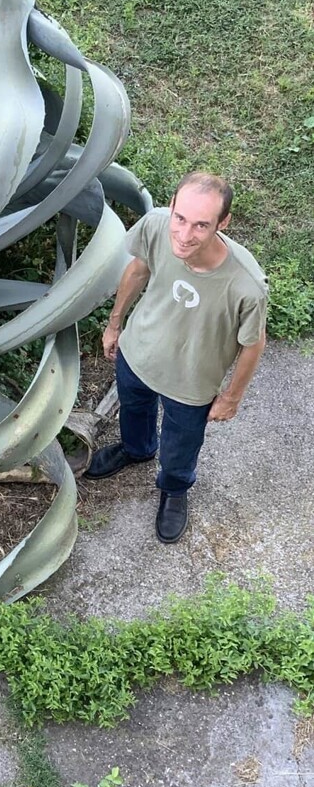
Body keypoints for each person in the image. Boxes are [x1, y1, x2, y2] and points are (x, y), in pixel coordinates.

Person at [84, 172, 268, 543]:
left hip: (191, 384)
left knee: (181, 444)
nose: (184, 235)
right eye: (180, 218)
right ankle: (136, 450)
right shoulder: (155, 226)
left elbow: (254, 344)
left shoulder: (247, 285)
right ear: (171, 205)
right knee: (134, 410)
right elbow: (138, 270)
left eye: (201, 225)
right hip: (137, 354)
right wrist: (115, 324)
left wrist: (231, 396)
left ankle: (174, 488)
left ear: (223, 223)